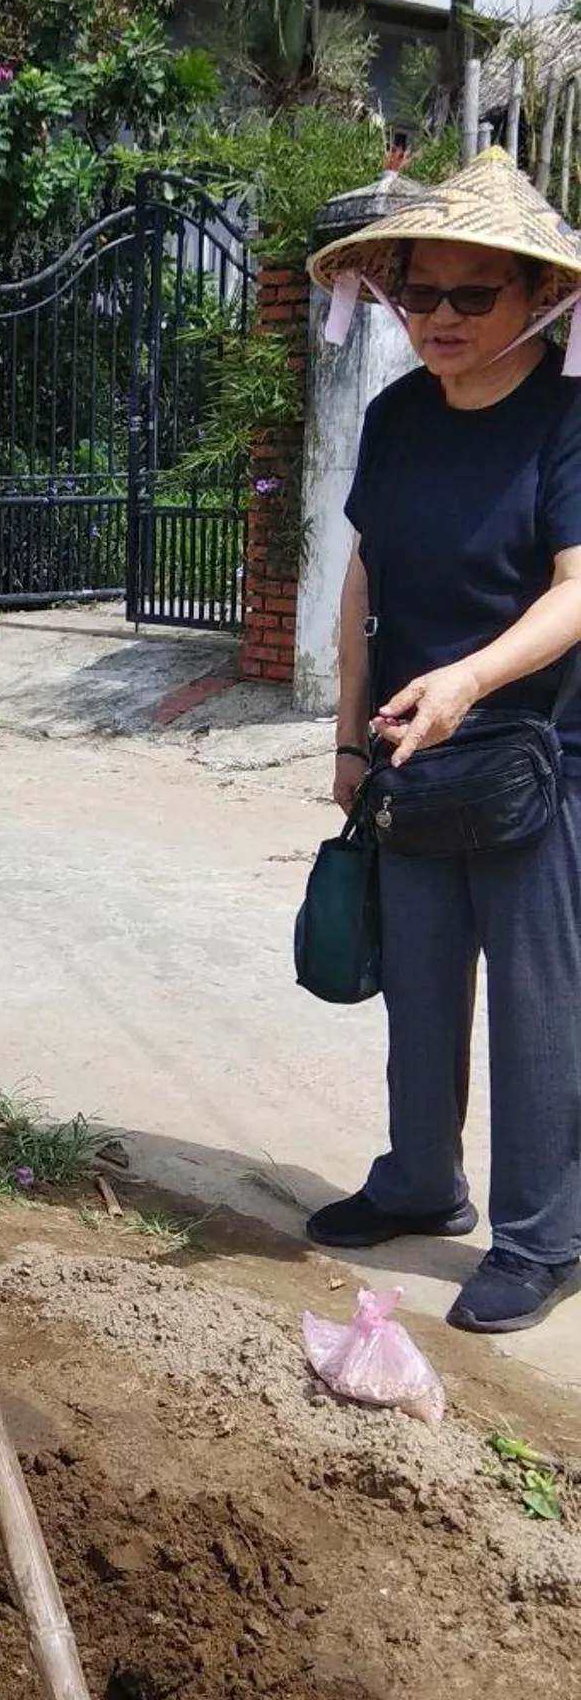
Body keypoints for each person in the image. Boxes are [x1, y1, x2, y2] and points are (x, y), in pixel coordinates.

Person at [306, 145, 581, 1334]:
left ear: (538, 300)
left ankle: (544, 1238)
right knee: (416, 990)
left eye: (475, 296)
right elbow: (365, 575)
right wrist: (349, 740)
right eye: (421, 294)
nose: (442, 319)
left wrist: (467, 680)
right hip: (411, 762)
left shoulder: (567, 423)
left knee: (537, 1012)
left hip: (542, 761)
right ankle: (422, 1181)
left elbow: (579, 587)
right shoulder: (397, 416)